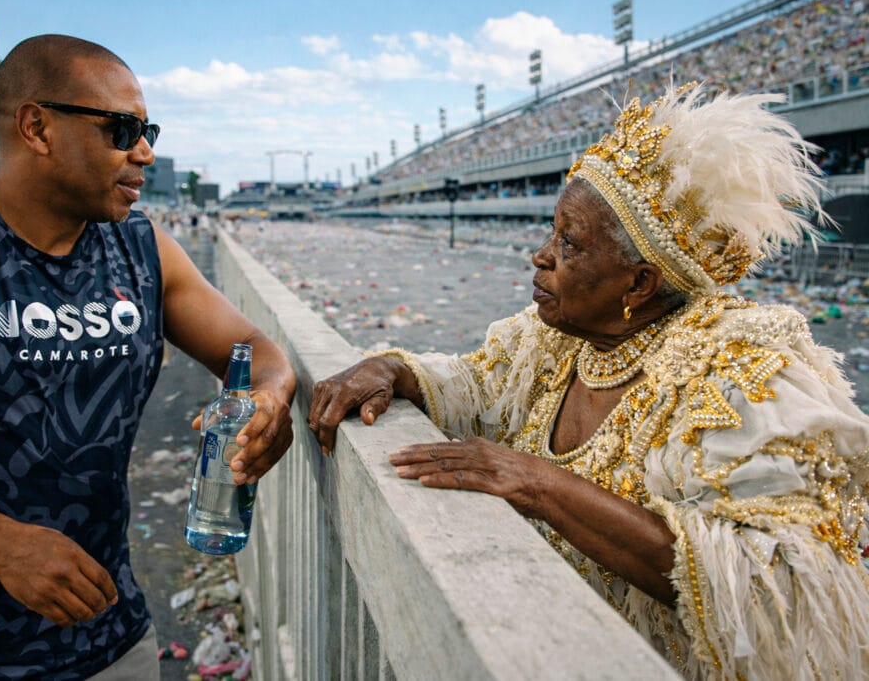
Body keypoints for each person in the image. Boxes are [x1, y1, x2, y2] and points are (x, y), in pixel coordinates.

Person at [309, 82, 869, 679]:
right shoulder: (556, 336)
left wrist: (542, 486)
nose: (539, 256)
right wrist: (391, 368)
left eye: (568, 242)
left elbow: (774, 587)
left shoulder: (741, 367)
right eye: (552, 233)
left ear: (639, 284)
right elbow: (477, 383)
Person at [0, 35, 296, 679]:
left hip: (104, 633)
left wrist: (270, 396)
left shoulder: (143, 248)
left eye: (148, 130)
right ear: (36, 127)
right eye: (121, 129)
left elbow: (254, 349)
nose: (144, 151)